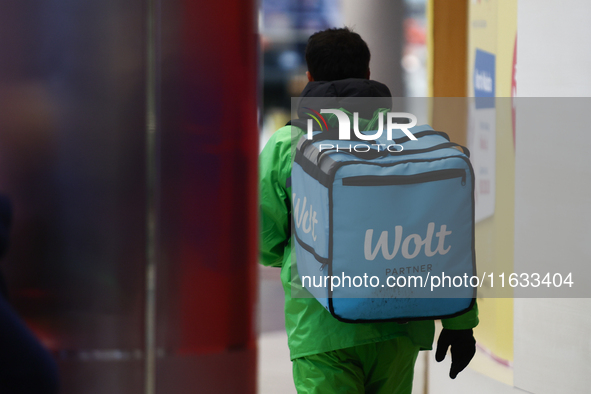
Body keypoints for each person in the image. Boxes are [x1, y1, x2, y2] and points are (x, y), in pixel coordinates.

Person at [259, 27, 478, 393]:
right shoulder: (408, 140)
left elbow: (265, 237)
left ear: (309, 77)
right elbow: (446, 235)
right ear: (368, 74)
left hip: (320, 326)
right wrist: (461, 324)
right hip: (398, 323)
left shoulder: (289, 143)